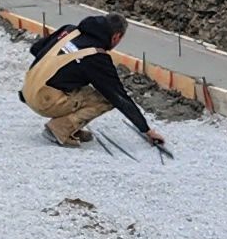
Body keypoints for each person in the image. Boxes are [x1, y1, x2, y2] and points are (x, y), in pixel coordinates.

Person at [19, 12, 169, 155]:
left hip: (28, 89)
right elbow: (118, 96)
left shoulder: (69, 30)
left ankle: (70, 126)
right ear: (116, 37)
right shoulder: (96, 57)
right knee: (105, 99)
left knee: (81, 86)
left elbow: (36, 48)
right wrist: (146, 130)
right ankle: (60, 128)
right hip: (44, 101)